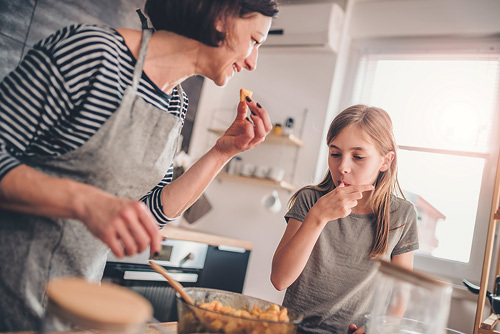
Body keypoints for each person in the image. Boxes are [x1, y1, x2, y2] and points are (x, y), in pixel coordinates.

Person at [0, 0, 278, 331]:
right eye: (255, 41)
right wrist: (86, 202)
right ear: (221, 17)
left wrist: (222, 152)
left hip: (74, 306)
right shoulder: (92, 53)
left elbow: (149, 214)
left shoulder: (175, 101)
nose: (252, 62)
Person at [270, 105, 419, 334]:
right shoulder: (310, 200)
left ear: (385, 161)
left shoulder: (402, 215)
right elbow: (280, 279)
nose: (342, 167)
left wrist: (378, 328)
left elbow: (400, 297)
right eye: (335, 153)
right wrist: (317, 217)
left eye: (358, 156)